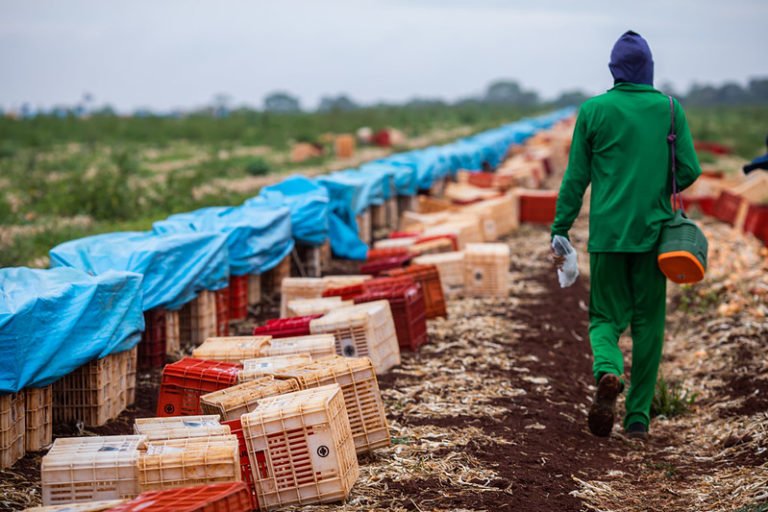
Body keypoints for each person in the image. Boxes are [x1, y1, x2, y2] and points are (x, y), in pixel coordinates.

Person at [551, 30, 702, 440]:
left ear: (614, 71)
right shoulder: (670, 109)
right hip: (655, 238)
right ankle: (638, 418)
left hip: (607, 236)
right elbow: (689, 169)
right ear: (649, 69)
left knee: (604, 317)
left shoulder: (594, 111)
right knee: (648, 324)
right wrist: (655, 184)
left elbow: (576, 177)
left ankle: (609, 371)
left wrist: (560, 227)